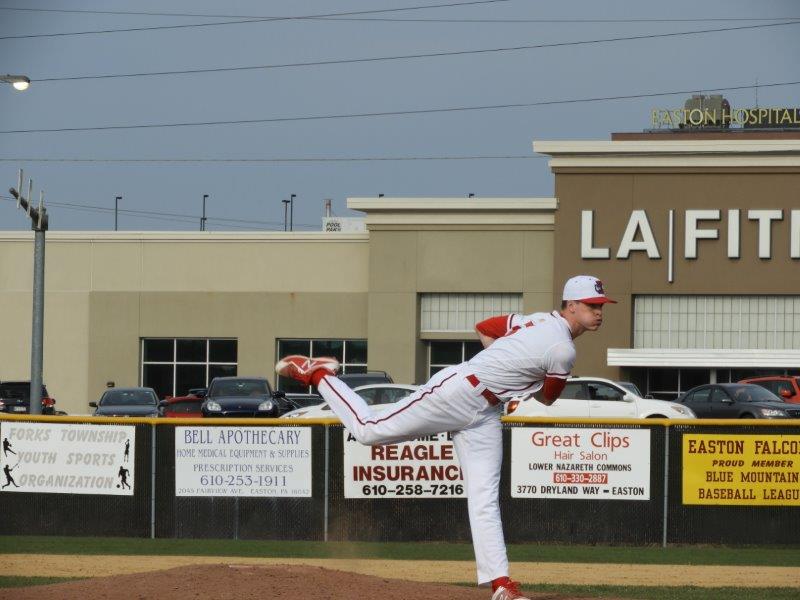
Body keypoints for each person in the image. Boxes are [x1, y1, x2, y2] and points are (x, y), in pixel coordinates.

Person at [276, 275, 615, 600]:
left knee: (483, 497)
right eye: (591, 304)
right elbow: (547, 398)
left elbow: (486, 329)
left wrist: (503, 372)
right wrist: (504, 375)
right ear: (570, 304)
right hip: (457, 393)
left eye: (600, 305)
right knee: (368, 431)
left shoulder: (536, 320)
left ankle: (501, 585)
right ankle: (318, 374)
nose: (598, 311)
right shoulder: (562, 349)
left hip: (485, 413)